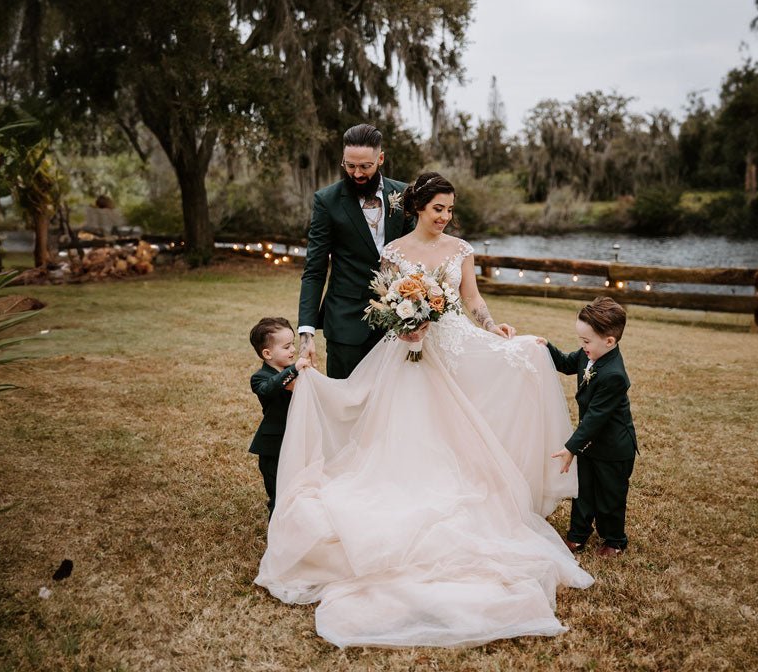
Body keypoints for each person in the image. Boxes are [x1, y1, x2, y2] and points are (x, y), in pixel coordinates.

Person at [256, 172, 593, 649]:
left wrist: (493, 326)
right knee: (406, 431)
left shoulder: (461, 249)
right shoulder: (394, 251)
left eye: (450, 209)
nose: (445, 217)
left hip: (456, 344)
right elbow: (385, 301)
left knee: (522, 359)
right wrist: (405, 325)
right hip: (407, 353)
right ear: (418, 207)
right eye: (438, 208)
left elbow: (472, 299)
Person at [297, 124, 413, 378]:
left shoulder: (405, 195)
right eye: (350, 166)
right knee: (344, 405)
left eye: (365, 166)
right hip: (345, 322)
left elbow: (417, 253)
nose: (357, 173)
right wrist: (306, 331)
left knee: (389, 402)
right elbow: (314, 269)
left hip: (398, 322)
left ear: (380, 158)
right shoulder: (326, 201)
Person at [540, 297, 638, 557]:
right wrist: (544, 347)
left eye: (586, 341)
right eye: (580, 340)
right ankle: (577, 535)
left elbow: (596, 417)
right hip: (589, 443)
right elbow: (564, 362)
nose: (582, 346)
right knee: (582, 490)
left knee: (610, 497)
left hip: (613, 449)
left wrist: (571, 447)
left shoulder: (614, 374)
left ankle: (615, 540)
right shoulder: (589, 356)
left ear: (609, 341)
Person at [248, 317, 311, 516]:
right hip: (273, 447)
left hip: (296, 441)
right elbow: (269, 388)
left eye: (292, 344)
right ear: (267, 354)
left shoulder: (292, 372)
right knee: (277, 490)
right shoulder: (260, 378)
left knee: (295, 485)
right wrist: (294, 369)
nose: (293, 350)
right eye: (286, 347)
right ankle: (277, 527)